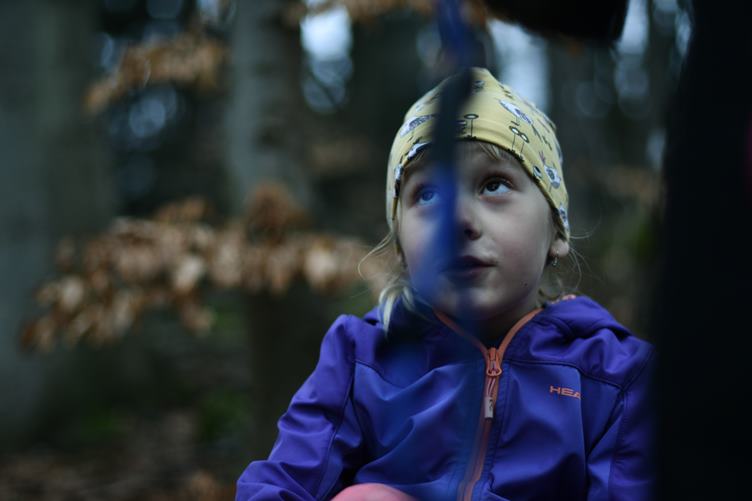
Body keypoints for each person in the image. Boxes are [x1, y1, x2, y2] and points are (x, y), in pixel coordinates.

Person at [236, 67, 654, 501]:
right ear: (401, 246)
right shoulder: (362, 360)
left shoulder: (615, 377)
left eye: (494, 185)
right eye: (429, 195)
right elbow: (280, 485)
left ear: (557, 230)